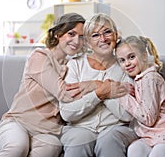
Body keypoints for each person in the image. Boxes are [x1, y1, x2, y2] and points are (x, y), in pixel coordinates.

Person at [0, 13, 97, 157]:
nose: (76, 40)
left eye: (81, 37)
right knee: (18, 147)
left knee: (49, 150)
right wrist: (96, 85)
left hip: (48, 131)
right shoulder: (40, 56)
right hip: (18, 123)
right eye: (71, 34)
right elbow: (64, 93)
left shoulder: (73, 66)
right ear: (57, 34)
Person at [59, 13, 138, 157]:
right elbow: (67, 113)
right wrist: (100, 93)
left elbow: (127, 115)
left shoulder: (126, 65)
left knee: (109, 141)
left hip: (116, 128)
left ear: (115, 35)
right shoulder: (75, 65)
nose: (103, 39)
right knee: (79, 141)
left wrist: (96, 86)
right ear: (88, 42)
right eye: (95, 35)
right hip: (79, 128)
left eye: (107, 32)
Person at [115, 36, 165, 157]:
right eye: (122, 60)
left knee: (158, 155)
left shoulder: (150, 78)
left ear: (144, 55)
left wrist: (122, 96)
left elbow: (148, 118)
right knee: (133, 150)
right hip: (149, 135)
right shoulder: (138, 79)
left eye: (131, 57)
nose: (127, 63)